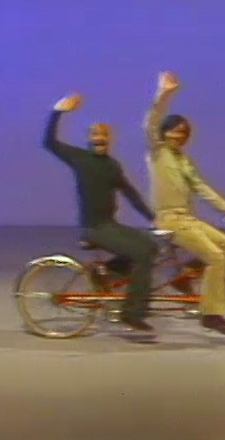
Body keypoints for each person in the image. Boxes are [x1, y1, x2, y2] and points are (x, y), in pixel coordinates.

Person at [143, 72, 225, 335]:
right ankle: (212, 314)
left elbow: (202, 188)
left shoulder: (184, 161)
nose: (179, 136)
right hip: (170, 219)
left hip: (187, 218)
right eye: (175, 131)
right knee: (215, 258)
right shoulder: (158, 152)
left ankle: (185, 276)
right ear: (165, 132)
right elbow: (150, 122)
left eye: (184, 133)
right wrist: (163, 94)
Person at [43, 93, 158, 333]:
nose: (99, 139)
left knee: (151, 245)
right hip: (94, 228)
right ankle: (132, 313)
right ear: (89, 138)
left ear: (109, 140)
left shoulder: (112, 166)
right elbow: (49, 143)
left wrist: (154, 219)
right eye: (95, 135)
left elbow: (130, 193)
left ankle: (102, 274)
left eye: (103, 135)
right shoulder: (79, 158)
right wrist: (58, 111)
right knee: (141, 255)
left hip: (110, 224)